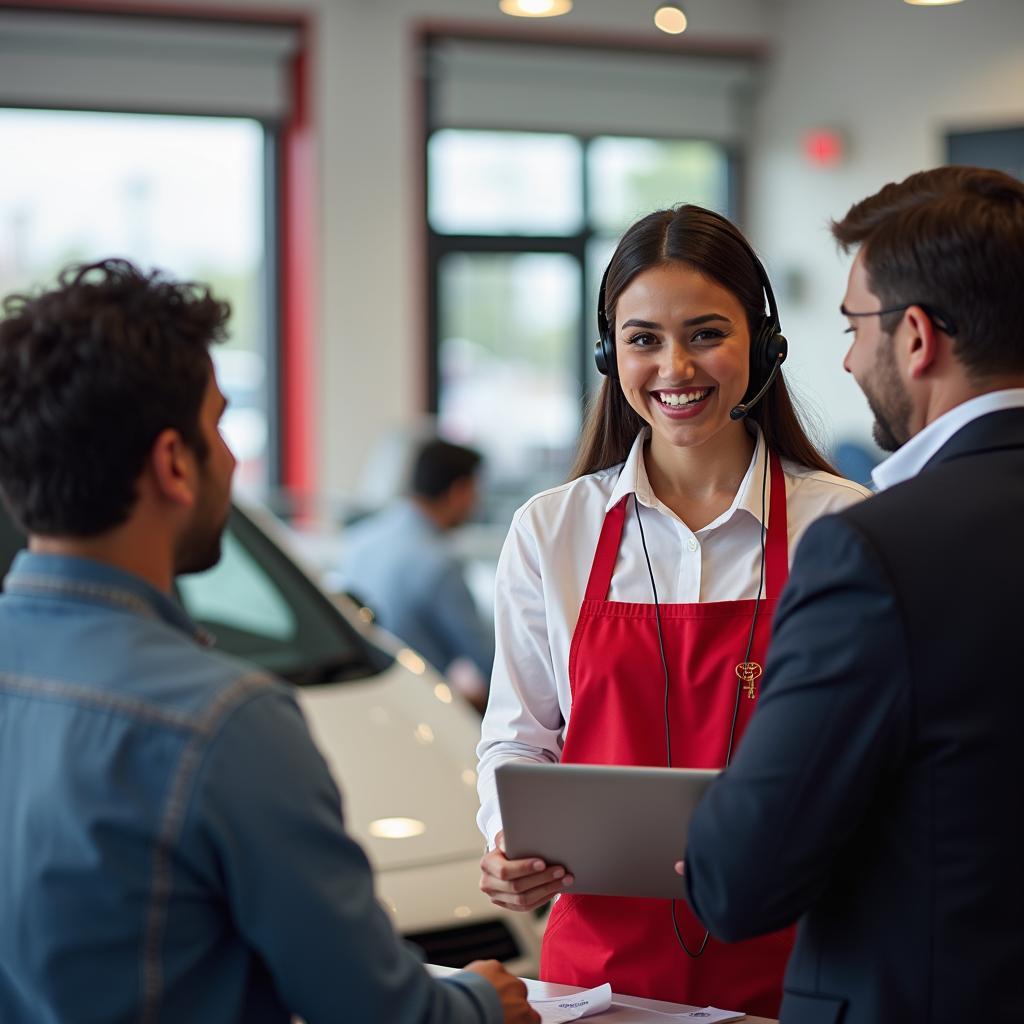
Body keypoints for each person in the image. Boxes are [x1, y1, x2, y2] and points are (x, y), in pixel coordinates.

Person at [0, 259, 537, 1024]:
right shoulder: (223, 721)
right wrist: (483, 1003)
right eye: (217, 425)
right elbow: (372, 1008)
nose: (230, 458)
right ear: (174, 463)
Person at [475, 205, 871, 1017]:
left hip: (794, 962)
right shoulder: (554, 529)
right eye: (643, 338)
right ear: (607, 353)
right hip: (597, 980)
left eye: (705, 333)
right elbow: (519, 735)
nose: (674, 367)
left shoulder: (845, 526)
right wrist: (507, 840)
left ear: (762, 345)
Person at [682, 166, 1024, 1024]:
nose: (844, 356)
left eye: (852, 325)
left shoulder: (876, 550)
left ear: (916, 337)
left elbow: (741, 880)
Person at [341, 438, 494, 709]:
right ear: (459, 492)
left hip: (363, 697)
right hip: (420, 706)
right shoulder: (438, 563)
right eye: (476, 491)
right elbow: (488, 660)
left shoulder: (361, 539)